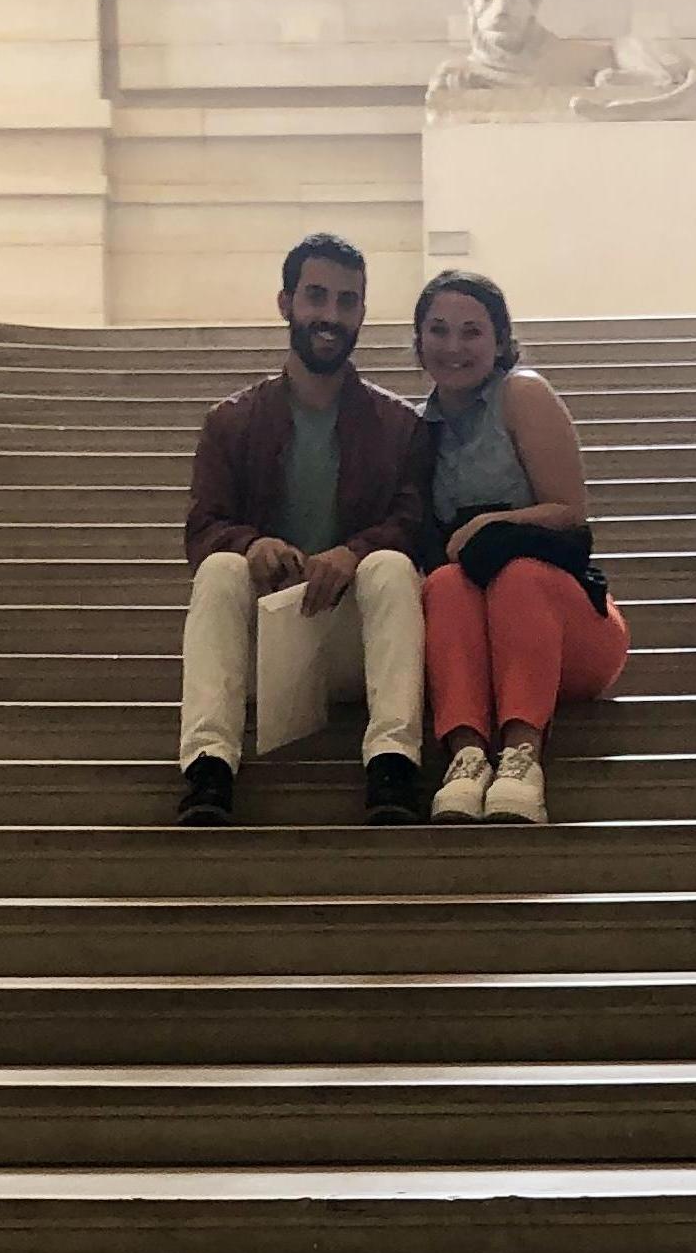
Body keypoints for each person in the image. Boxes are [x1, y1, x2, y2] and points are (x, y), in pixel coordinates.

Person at [176, 232, 430, 826]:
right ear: (286, 302)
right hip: (266, 643)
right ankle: (209, 767)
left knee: (392, 565)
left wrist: (353, 552)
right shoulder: (229, 423)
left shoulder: (402, 427)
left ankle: (393, 763)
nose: (331, 315)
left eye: (347, 301)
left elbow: (415, 525)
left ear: (362, 313)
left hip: (357, 643)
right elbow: (202, 528)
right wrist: (249, 544)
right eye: (317, 297)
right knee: (219, 567)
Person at [412, 270, 631, 824]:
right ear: (418, 342)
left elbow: (569, 512)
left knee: (517, 577)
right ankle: (465, 755)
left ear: (501, 341)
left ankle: (522, 756)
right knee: (442, 583)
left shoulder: (522, 395)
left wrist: (490, 526)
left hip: (568, 625)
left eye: (472, 331)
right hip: (482, 637)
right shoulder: (420, 428)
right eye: (438, 330)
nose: (454, 347)